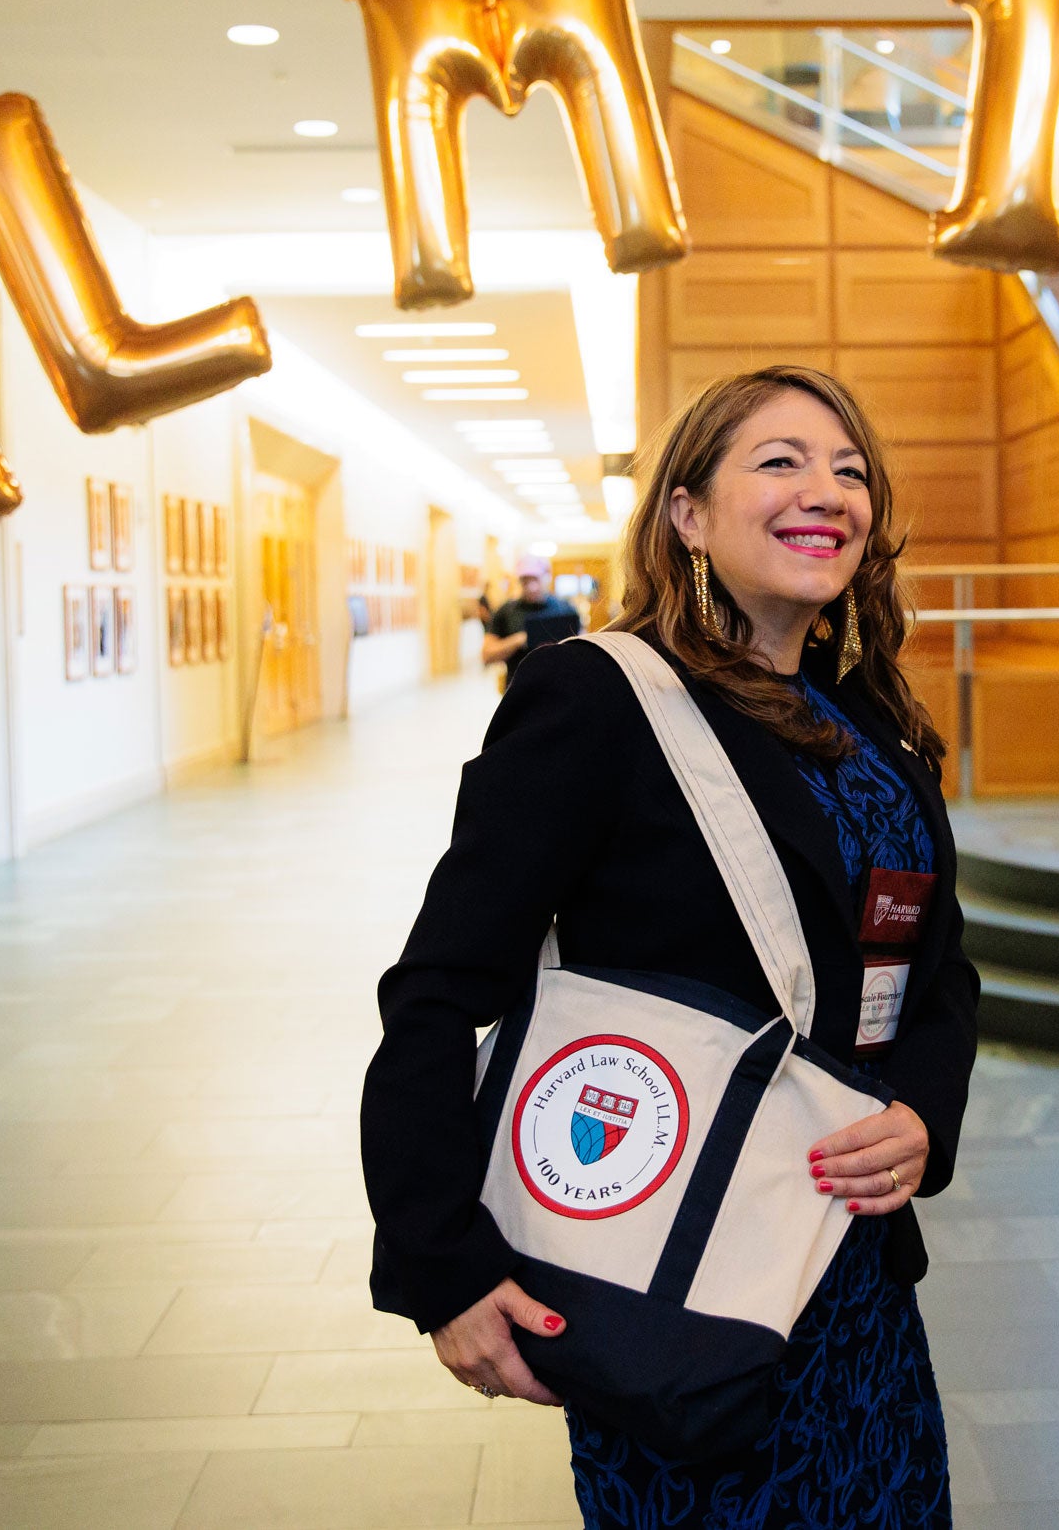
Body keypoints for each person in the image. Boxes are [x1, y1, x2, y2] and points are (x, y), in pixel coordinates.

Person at [363, 367, 977, 1529]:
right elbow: (438, 988)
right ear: (687, 514)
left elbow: (939, 970)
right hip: (677, 1282)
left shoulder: (877, 728)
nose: (828, 491)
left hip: (854, 1276)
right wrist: (438, 1259)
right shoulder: (598, 699)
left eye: (850, 470)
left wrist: (926, 1113)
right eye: (781, 460)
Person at [482, 553, 582, 687]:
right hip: (518, 690)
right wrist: (520, 640)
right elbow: (487, 655)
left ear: (547, 577)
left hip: (559, 687)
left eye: (535, 579)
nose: (531, 586)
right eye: (525, 580)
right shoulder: (506, 611)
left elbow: (582, 651)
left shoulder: (565, 609)